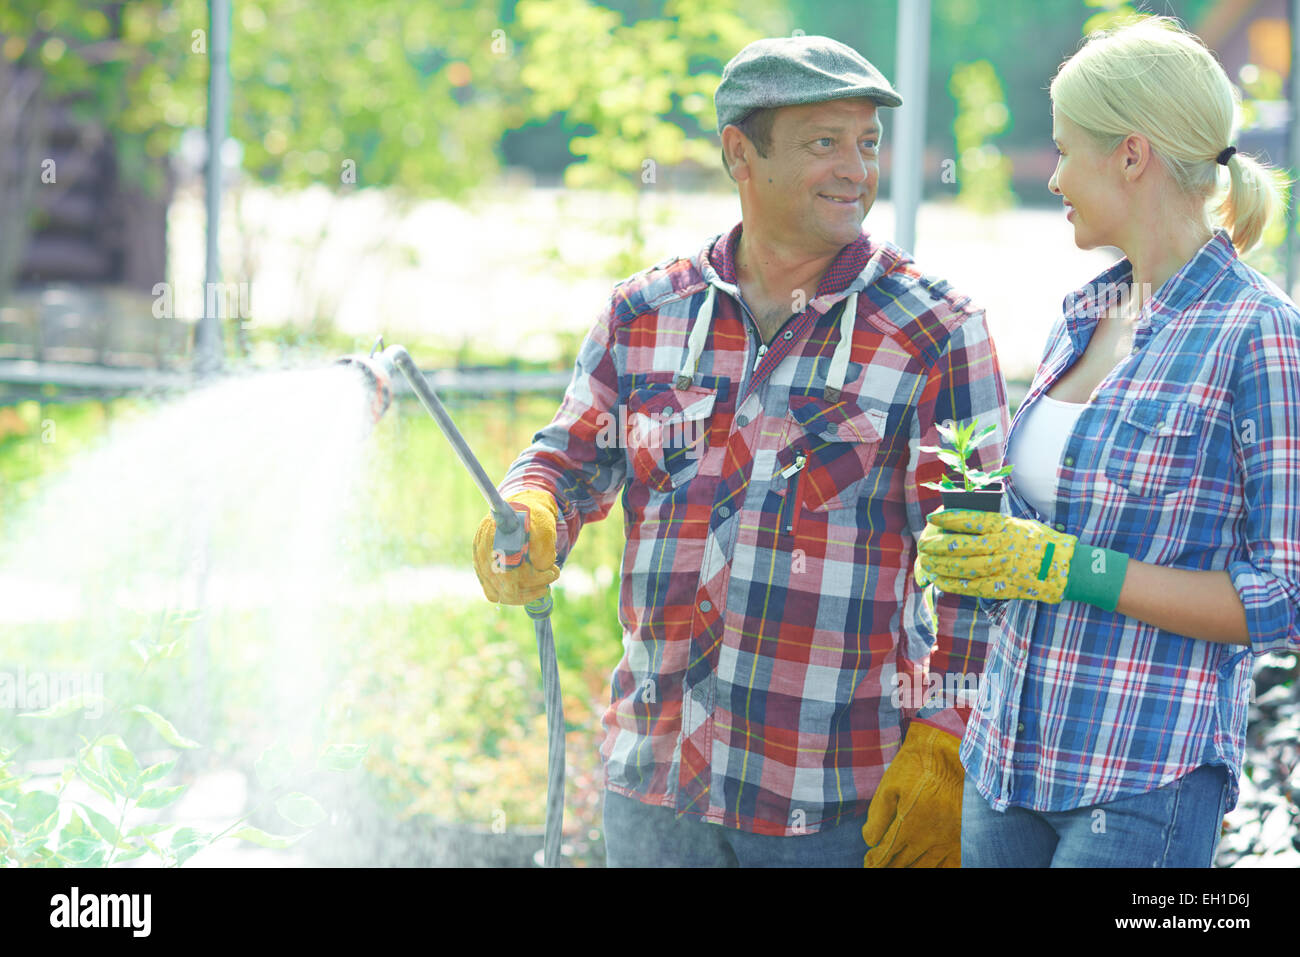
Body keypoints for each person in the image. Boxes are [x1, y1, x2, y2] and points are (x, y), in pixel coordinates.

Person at [474, 35, 1008, 867]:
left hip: (832, 805)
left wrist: (948, 739)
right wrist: (534, 507)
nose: (855, 170)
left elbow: (981, 569)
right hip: (652, 791)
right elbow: (566, 461)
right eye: (822, 143)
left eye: (867, 143)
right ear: (739, 152)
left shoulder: (933, 330)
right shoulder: (645, 314)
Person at [916, 16, 1300, 867]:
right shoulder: (1083, 315)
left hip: (1140, 779)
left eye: (1063, 151)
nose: (1051, 177)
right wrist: (981, 550)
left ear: (1131, 155)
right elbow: (1043, 522)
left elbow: (1285, 593)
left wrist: (1069, 567)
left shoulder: (1259, 334)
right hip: (1007, 763)